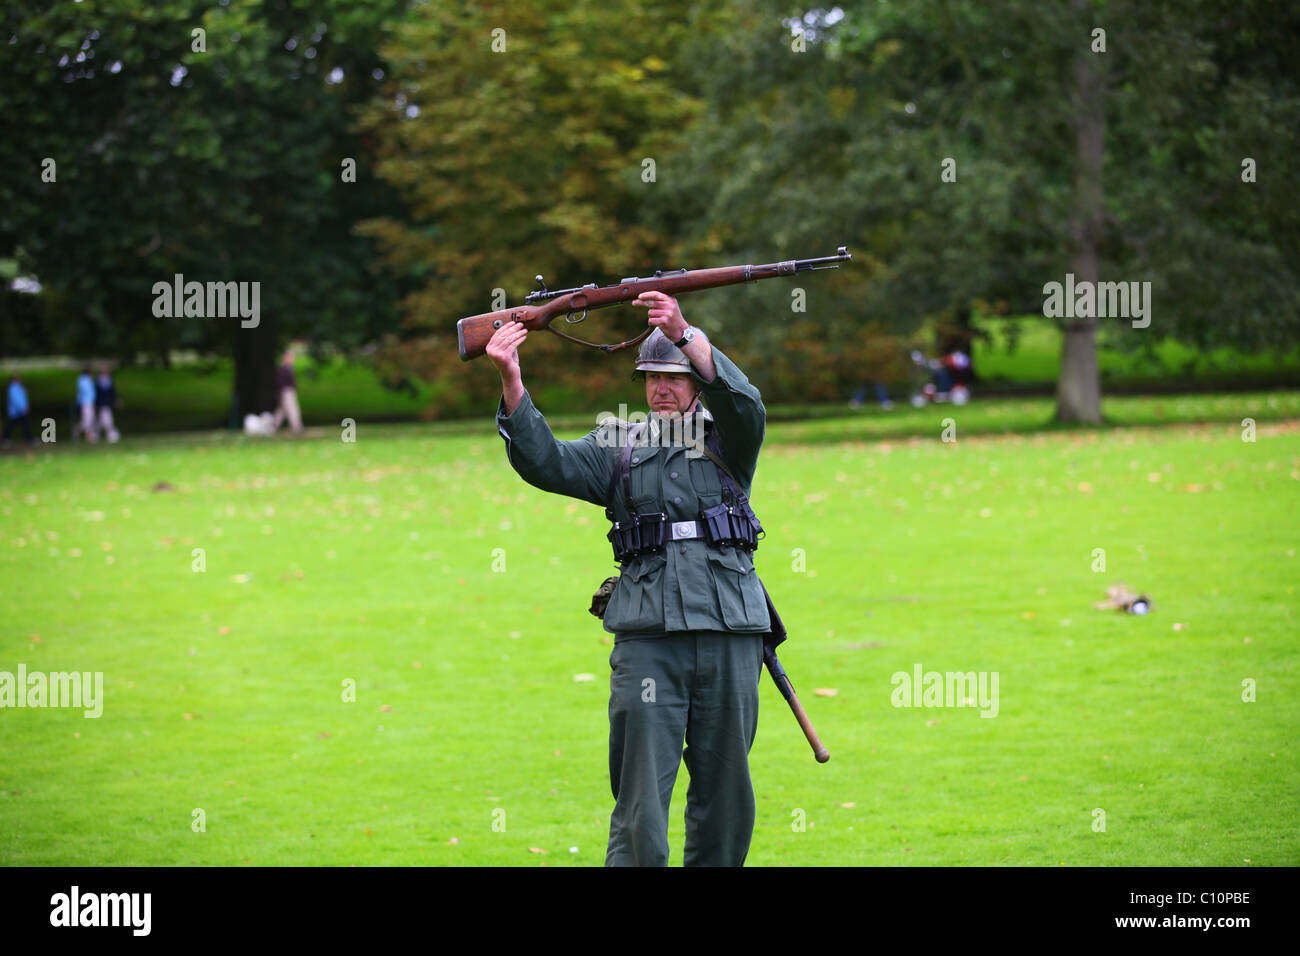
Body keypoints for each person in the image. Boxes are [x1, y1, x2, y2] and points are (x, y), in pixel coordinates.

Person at [488, 291, 771, 867]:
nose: (660, 388)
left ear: (697, 379)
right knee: (641, 802)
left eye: (673, 376)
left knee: (728, 799)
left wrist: (687, 331)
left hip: (730, 632)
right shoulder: (617, 444)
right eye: (650, 377)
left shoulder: (730, 438)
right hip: (648, 640)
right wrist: (512, 382)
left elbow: (748, 403)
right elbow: (548, 462)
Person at [271, 351, 303, 434]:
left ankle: (273, 426)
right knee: (293, 409)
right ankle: (296, 427)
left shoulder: (289, 368)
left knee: (281, 411)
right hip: (287, 392)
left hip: (288, 391)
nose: (292, 360)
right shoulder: (283, 369)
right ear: (285, 358)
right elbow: (279, 383)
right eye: (290, 358)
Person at [3, 374, 36, 448]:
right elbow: (16, 400)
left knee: (21, 425)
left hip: (19, 411)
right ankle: (29, 439)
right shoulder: (13, 388)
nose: (19, 379)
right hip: (17, 411)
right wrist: (23, 408)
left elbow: (23, 398)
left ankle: (28, 439)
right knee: (15, 425)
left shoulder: (18, 387)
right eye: (17, 378)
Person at [94, 365, 121, 443]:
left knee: (103, 421)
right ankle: (111, 435)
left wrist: (116, 400)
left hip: (106, 404)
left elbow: (112, 392)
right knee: (106, 421)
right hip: (101, 404)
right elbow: (97, 394)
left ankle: (96, 436)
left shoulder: (109, 381)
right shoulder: (98, 382)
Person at [75, 365, 97, 441]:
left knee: (89, 420)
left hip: (90, 402)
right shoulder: (83, 380)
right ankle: (78, 432)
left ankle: (88, 436)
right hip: (85, 403)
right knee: (86, 420)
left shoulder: (87, 380)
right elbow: (85, 392)